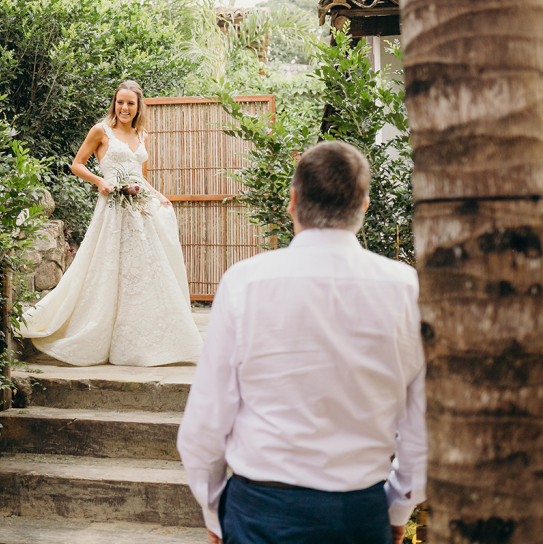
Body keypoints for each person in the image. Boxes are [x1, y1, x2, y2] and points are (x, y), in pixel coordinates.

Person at [177, 141, 426, 544]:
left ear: (292, 201)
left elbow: (206, 423)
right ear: (363, 206)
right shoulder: (405, 288)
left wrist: (214, 511)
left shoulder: (245, 283)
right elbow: (423, 424)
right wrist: (398, 507)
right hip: (358, 516)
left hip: (258, 513)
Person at [18, 80, 204, 366]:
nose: (125, 108)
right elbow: (77, 164)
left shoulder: (141, 134)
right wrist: (100, 181)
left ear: (138, 106)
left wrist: (158, 195)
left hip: (139, 211)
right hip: (113, 209)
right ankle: (92, 329)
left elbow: (139, 176)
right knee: (106, 268)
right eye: (120, 102)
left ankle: (143, 338)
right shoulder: (101, 131)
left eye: (130, 103)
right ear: (114, 103)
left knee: (142, 273)